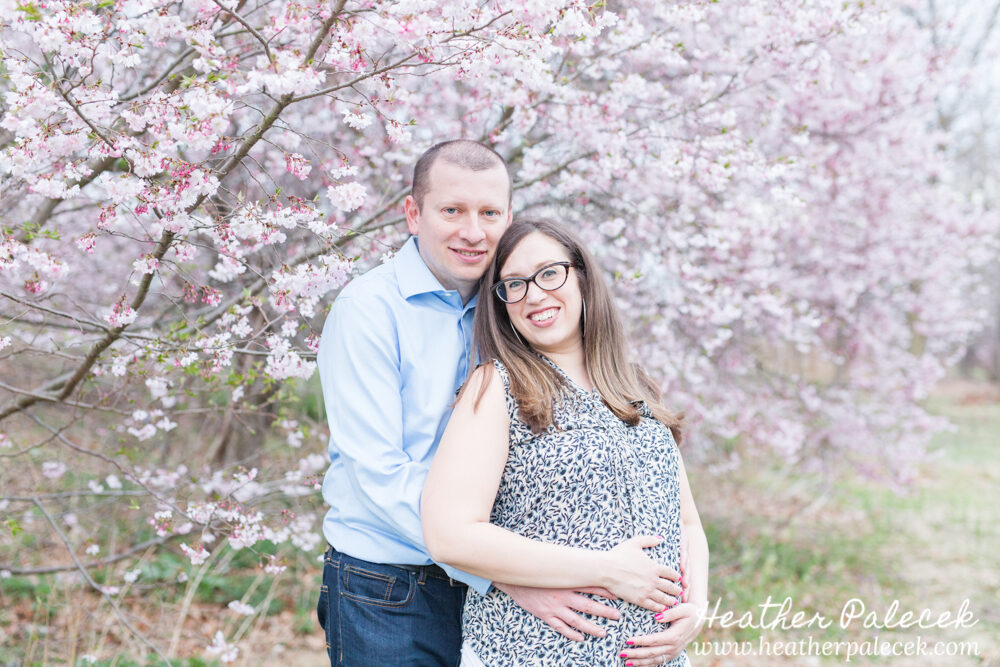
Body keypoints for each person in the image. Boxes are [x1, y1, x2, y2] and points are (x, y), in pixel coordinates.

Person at [316, 141, 668, 666]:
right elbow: (379, 473)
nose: (473, 232)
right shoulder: (367, 311)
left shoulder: (516, 302)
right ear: (413, 214)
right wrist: (500, 574)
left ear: (508, 216)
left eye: (489, 213)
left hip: (500, 586)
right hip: (391, 587)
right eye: (452, 211)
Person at [422, 218, 710, 666]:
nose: (534, 294)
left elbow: (686, 521)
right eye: (514, 284)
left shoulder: (635, 386)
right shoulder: (497, 387)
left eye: (549, 273)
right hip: (529, 653)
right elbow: (450, 536)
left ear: (582, 277)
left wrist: (697, 607)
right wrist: (606, 571)